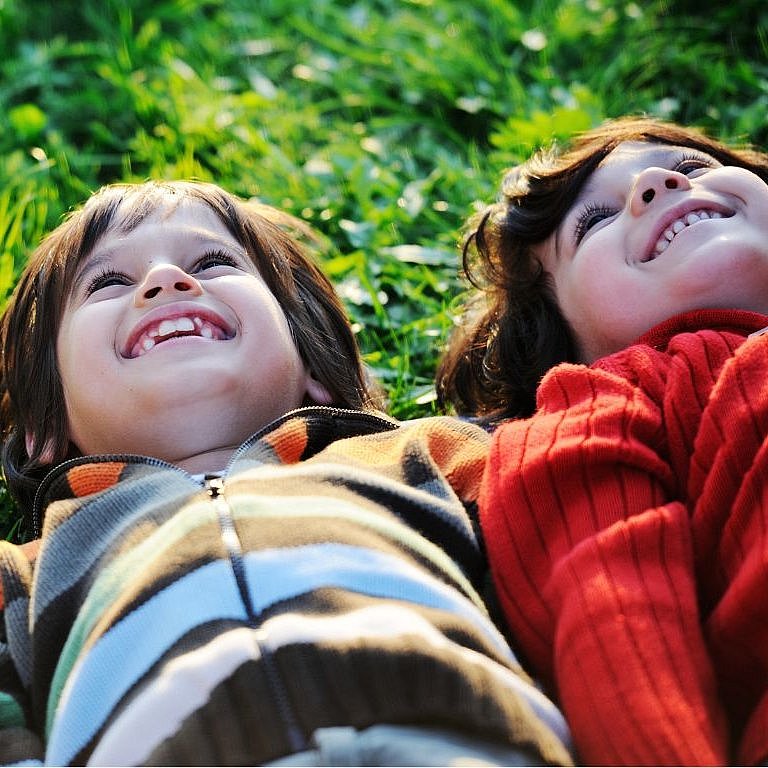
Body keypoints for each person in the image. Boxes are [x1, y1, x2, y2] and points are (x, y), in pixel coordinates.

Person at [0, 180, 572, 766]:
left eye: (214, 262)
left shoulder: (427, 458)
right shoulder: (29, 572)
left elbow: (574, 548)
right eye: (108, 282)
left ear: (311, 366)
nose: (166, 282)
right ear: (49, 421)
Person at [437, 116, 768, 765]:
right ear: (561, 338)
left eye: (694, 167)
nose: (658, 181)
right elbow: (615, 619)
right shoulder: (603, 399)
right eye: (592, 223)